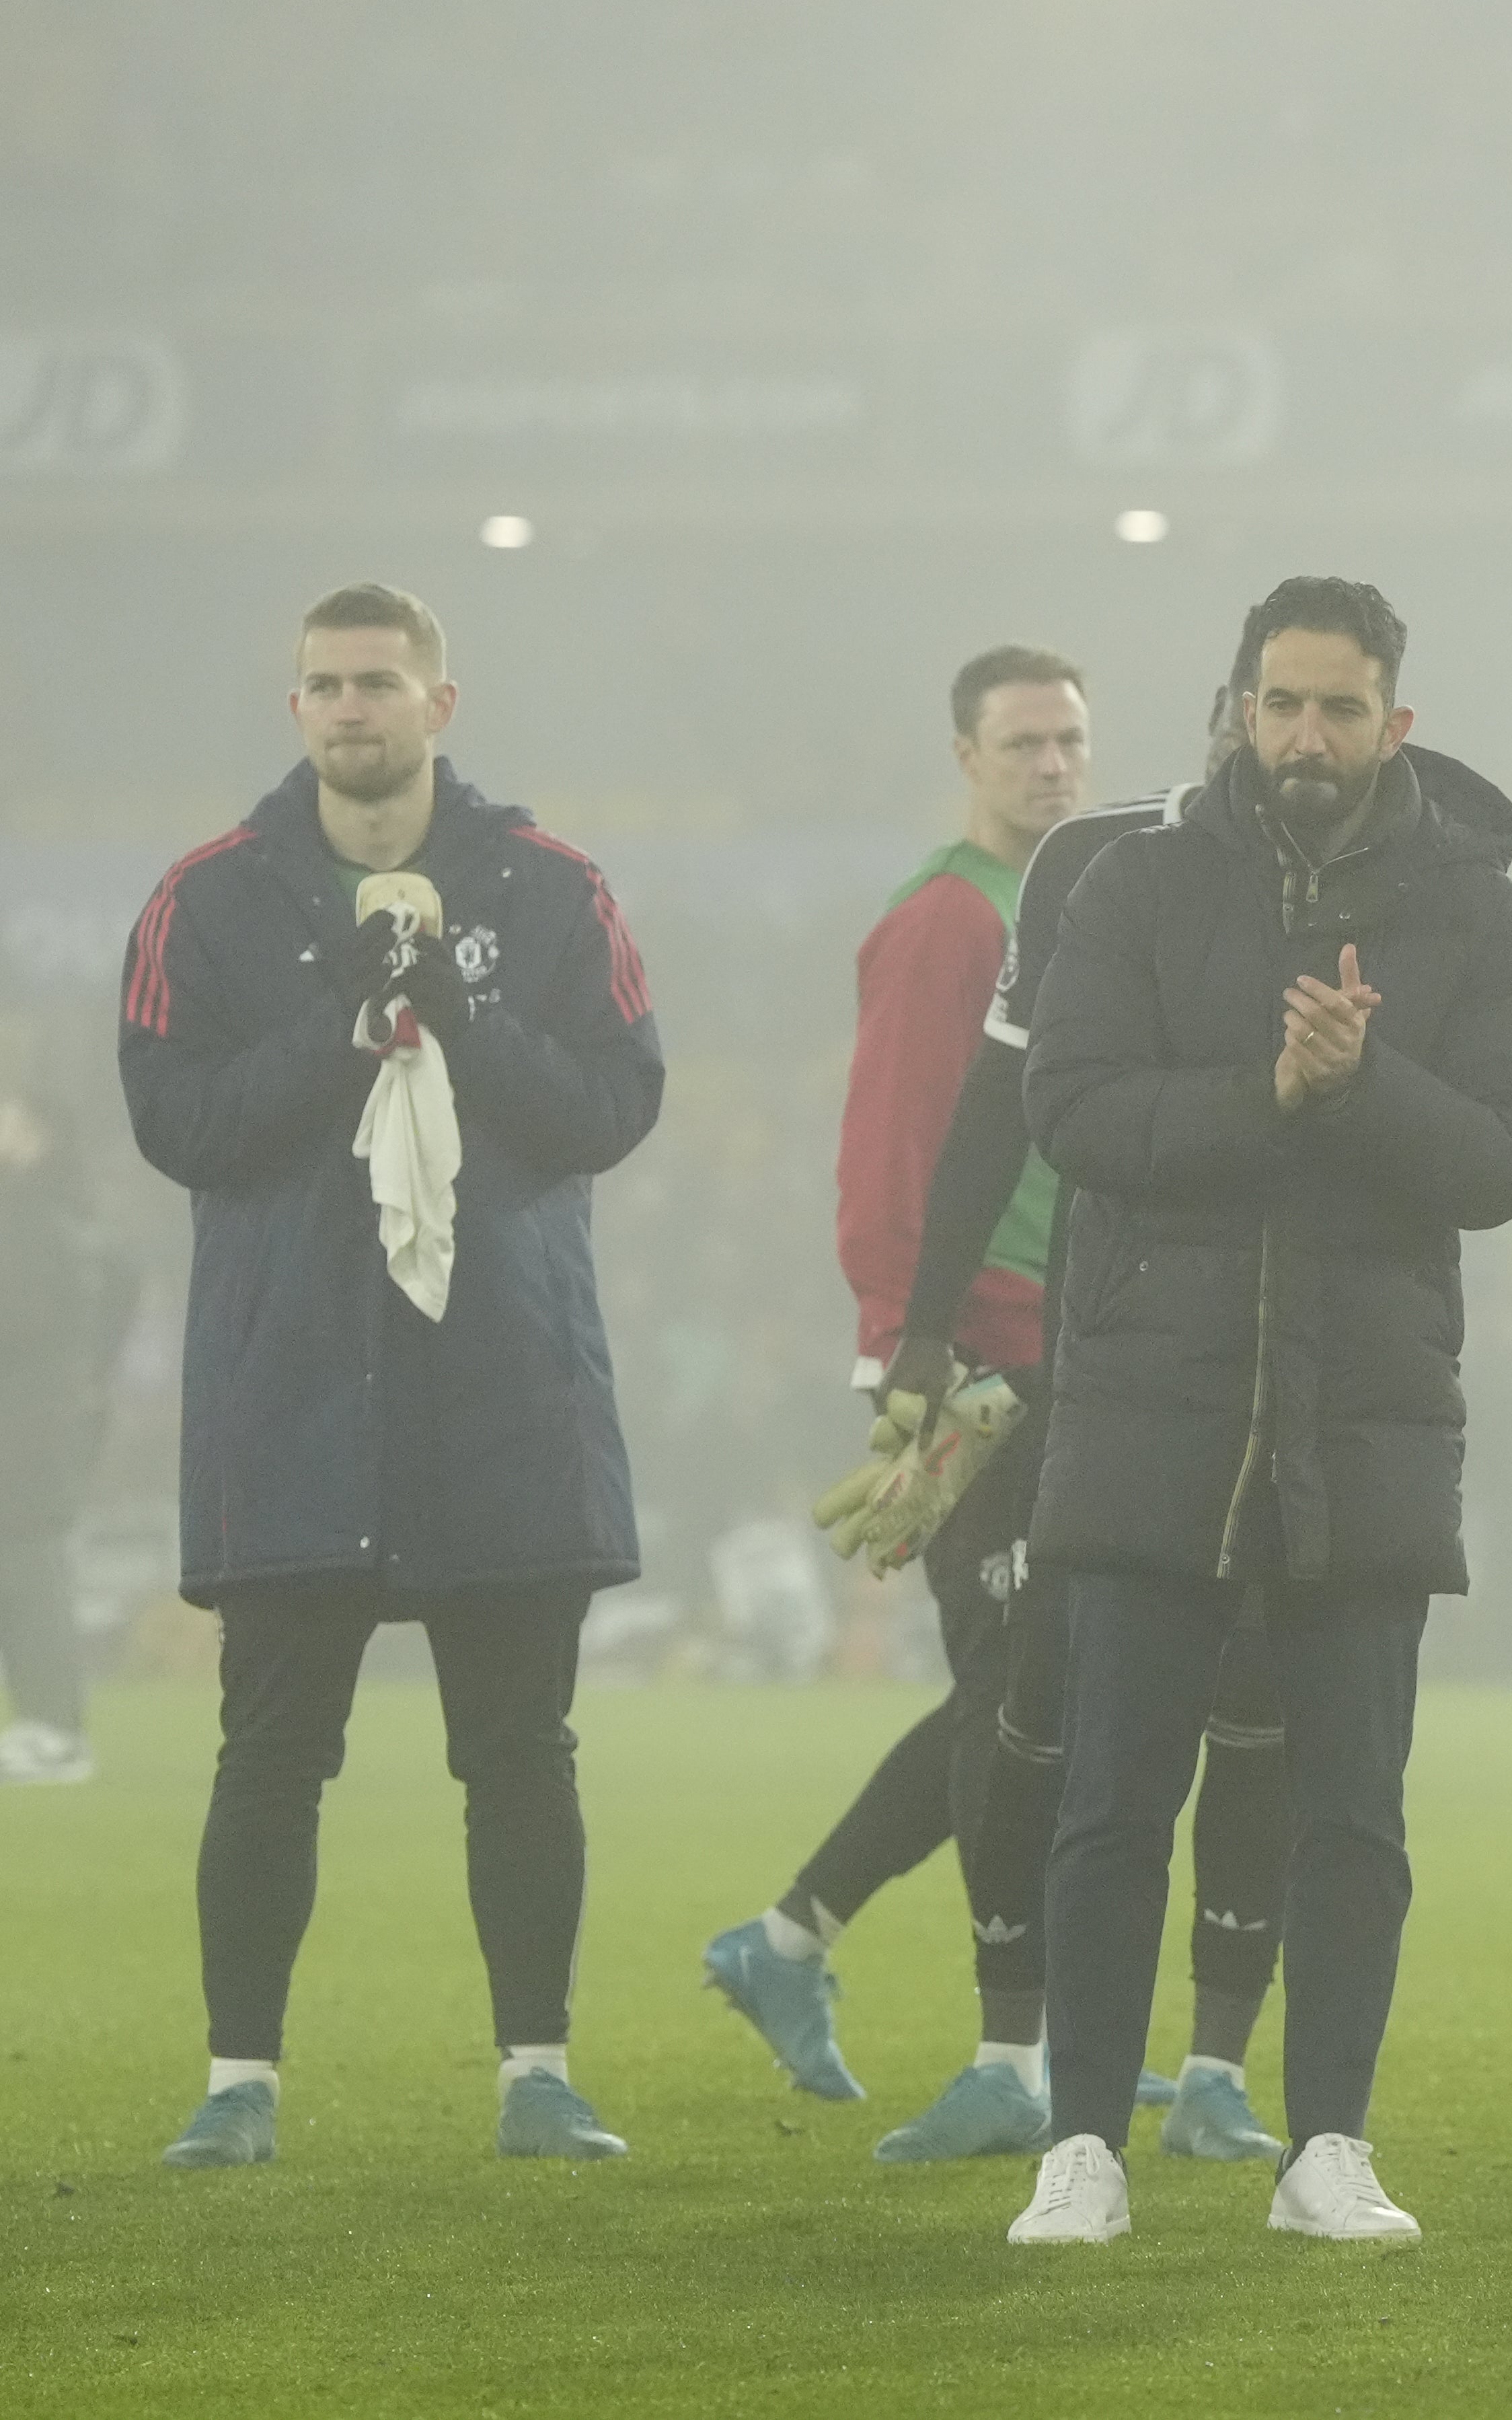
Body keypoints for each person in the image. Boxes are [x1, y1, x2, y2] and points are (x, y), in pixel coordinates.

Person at [1003, 577, 1512, 2247]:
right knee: (1111, 1800)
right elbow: (1069, 1111)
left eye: (1340, 709)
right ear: (1239, 708)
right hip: (1149, 1399)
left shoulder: (1473, 908)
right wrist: (1272, 1090)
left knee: (1354, 1811)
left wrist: (1365, 1082)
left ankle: (1327, 2147)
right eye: (1282, 705)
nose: (1306, 737)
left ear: (1396, 720)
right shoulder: (1135, 882)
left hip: (1369, 1409)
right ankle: (1081, 2146)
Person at [696, 647, 1277, 2162]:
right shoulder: (949, 919)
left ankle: (806, 1940)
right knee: (1022, 1695)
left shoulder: (1081, 896)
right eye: (1022, 741)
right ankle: (998, 2043)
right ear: (965, 754)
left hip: (1067, 1345)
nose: (1054, 766)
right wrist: (916, 1348)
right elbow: (904, 1149)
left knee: (1045, 1689)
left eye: (1072, 738)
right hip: (978, 1354)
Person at [123, 581, 663, 2167]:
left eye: (379, 681)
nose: (352, 708)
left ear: (443, 699)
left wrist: (460, 1028)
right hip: (292, 1386)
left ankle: (538, 2076)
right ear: (294, 711)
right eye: (324, 685)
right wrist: (343, 1033)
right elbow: (182, 1126)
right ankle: (238, 2086)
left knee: (520, 1747)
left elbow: (615, 1106)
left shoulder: (553, 889)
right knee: (272, 1749)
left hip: (501, 1381)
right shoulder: (207, 899)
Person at [0, 1083, 122, 1787]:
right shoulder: (44, 1213)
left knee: (30, 1575)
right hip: (32, 1423)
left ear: (41, 1134)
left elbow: (25, 1317)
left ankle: (57, 1728)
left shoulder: (41, 1215)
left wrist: (85, 1385)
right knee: (21, 1574)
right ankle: (42, 1722)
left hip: (31, 1431)